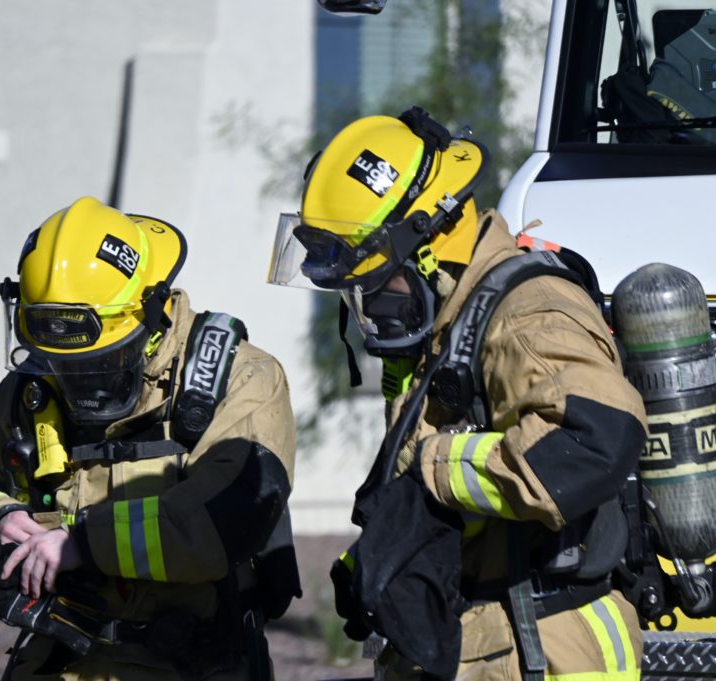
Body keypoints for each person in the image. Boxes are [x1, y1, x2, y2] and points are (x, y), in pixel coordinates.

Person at [267, 107, 648, 681]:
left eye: (375, 283)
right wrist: (384, 553)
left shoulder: (528, 312)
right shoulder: (451, 320)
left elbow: (594, 442)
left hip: (547, 646)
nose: (371, 305)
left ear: (427, 242)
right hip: (486, 637)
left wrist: (436, 467)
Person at [0, 196, 299, 681]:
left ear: (149, 317)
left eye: (100, 361)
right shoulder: (43, 376)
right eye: (59, 361)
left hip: (190, 665)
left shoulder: (243, 378)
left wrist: (83, 543)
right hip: (58, 659)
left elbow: (226, 517)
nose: (76, 379)